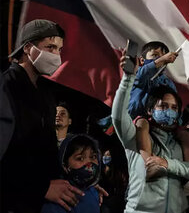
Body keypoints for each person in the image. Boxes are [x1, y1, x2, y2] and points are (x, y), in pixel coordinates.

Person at [1, 19, 84, 212]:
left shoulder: (45, 93)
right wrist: (40, 188)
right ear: (28, 48)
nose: (56, 55)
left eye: (59, 50)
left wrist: (77, 185)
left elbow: (44, 154)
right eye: (50, 47)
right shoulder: (6, 87)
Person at [112, 54, 189, 213]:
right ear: (150, 109)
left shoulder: (181, 140)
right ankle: (147, 163)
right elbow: (118, 116)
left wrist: (167, 164)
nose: (169, 111)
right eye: (163, 106)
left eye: (174, 108)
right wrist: (128, 78)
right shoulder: (134, 135)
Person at [42, 134, 101, 213]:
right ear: (65, 166)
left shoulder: (94, 192)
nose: (89, 163)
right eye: (80, 158)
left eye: (93, 157)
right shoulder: (59, 199)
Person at [128, 41, 178, 119]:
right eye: (155, 55)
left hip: (154, 123)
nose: (160, 59)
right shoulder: (137, 73)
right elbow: (143, 73)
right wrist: (162, 59)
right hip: (131, 121)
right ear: (142, 60)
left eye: (164, 56)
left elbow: (175, 104)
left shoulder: (168, 83)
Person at [100, 148, 129, 213]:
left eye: (108, 155)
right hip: (104, 200)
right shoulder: (100, 171)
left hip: (116, 201)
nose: (105, 157)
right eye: (104, 155)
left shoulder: (118, 172)